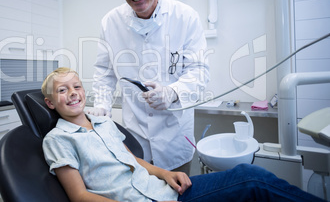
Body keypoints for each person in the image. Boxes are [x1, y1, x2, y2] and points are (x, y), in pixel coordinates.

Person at [41, 67, 324, 202]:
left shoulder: (103, 123)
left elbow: (132, 161)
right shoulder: (58, 139)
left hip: (166, 191)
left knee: (249, 175)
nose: (73, 93)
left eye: (76, 86)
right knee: (253, 183)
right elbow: (78, 196)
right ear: (51, 103)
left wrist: (165, 174)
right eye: (62, 90)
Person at [87, 0, 210, 174]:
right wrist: (102, 105)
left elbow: (199, 71)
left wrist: (173, 92)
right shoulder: (110, 22)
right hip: (134, 142)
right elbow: (104, 72)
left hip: (175, 140)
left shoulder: (185, 17)